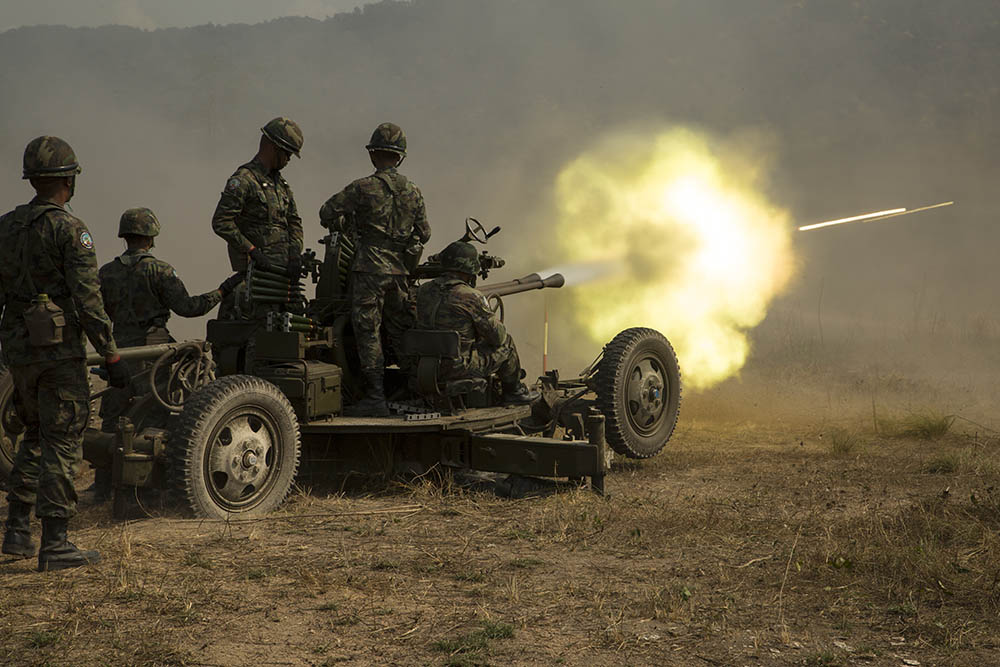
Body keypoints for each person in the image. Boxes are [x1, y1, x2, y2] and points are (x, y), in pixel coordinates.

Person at [0, 135, 130, 571]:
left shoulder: (6, 226)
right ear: (67, 180)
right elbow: (89, 301)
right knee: (63, 442)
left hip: (18, 352)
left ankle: (17, 532)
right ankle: (55, 543)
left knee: (32, 437)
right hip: (58, 355)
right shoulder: (71, 230)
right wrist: (110, 356)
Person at [91, 207, 242, 500]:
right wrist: (222, 292)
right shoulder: (160, 271)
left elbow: (95, 312)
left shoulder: (106, 273)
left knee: (113, 417)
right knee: (155, 415)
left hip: (118, 350)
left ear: (125, 237)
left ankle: (103, 486)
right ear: (151, 237)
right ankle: (145, 490)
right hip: (154, 351)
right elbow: (189, 308)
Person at [319, 122, 431, 416]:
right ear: (400, 157)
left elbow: (326, 212)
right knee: (399, 330)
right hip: (400, 275)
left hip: (368, 270)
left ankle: (375, 397)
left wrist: (347, 225)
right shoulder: (414, 192)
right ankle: (414, 391)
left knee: (368, 331)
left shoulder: (362, 187)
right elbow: (425, 233)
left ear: (373, 155)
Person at [415, 241, 537, 403]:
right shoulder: (471, 296)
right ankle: (514, 393)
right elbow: (498, 337)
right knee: (507, 344)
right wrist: (484, 307)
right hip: (456, 367)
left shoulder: (423, 291)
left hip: (423, 365)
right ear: (470, 270)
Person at [211, 117, 304, 319]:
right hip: (256, 279)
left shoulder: (282, 186)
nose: (288, 160)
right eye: (287, 153)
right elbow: (221, 222)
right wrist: (252, 250)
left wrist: (295, 253)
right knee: (258, 337)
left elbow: (294, 222)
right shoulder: (243, 180)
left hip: (281, 279)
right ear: (273, 147)